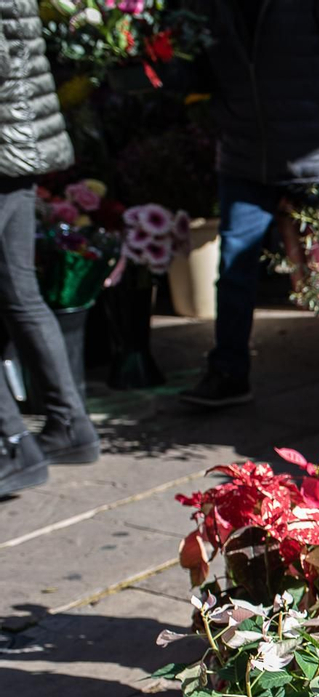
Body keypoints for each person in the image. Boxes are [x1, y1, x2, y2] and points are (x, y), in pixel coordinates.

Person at [177, 0, 319, 408]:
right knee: (234, 266)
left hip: (318, 154)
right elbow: (200, 69)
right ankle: (228, 370)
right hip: (244, 154)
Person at [0, 0, 101, 496]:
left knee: (18, 291)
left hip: (4, 145)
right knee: (19, 291)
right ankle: (70, 426)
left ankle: (12, 445)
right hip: (13, 144)